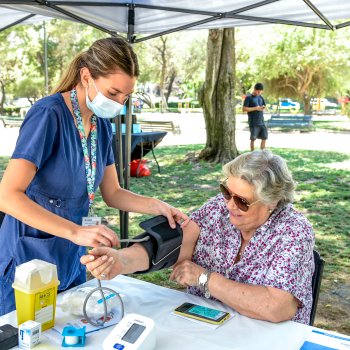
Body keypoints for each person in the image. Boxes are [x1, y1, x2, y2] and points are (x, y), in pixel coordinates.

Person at [0, 37, 188, 316]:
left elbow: (112, 193)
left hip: (70, 256)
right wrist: (77, 231)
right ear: (86, 76)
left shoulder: (100, 126)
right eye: (113, 93)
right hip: (28, 256)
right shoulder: (48, 115)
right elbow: (7, 196)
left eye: (126, 96)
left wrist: (156, 205)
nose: (119, 103)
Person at [81, 150, 315, 325]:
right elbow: (174, 243)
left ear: (271, 202)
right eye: (226, 192)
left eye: (242, 201)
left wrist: (204, 279)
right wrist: (121, 260)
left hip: (269, 335)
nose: (230, 205)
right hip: (208, 324)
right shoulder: (218, 208)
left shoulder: (294, 232)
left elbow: (276, 307)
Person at [243, 83, 268, 151]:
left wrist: (263, 107)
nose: (259, 93)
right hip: (253, 122)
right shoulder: (248, 97)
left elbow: (264, 106)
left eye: (260, 92)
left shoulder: (260, 97)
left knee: (264, 137)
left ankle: (262, 154)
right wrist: (255, 108)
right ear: (254, 89)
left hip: (262, 122)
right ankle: (252, 153)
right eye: (258, 91)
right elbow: (244, 109)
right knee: (253, 139)